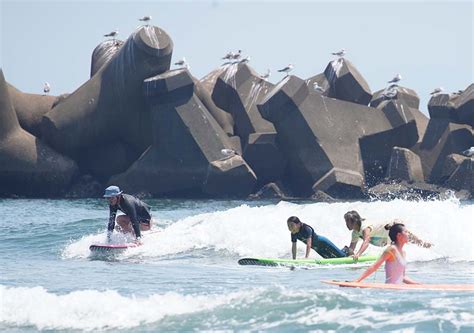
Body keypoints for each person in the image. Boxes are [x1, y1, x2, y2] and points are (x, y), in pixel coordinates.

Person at [344, 210, 432, 260]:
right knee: (405, 244)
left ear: (355, 221)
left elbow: (366, 241)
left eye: (348, 222)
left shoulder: (365, 228)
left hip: (393, 227)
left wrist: (358, 254)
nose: (346, 224)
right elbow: (352, 247)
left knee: (417, 242)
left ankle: (430, 248)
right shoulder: (355, 233)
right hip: (385, 237)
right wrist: (349, 251)